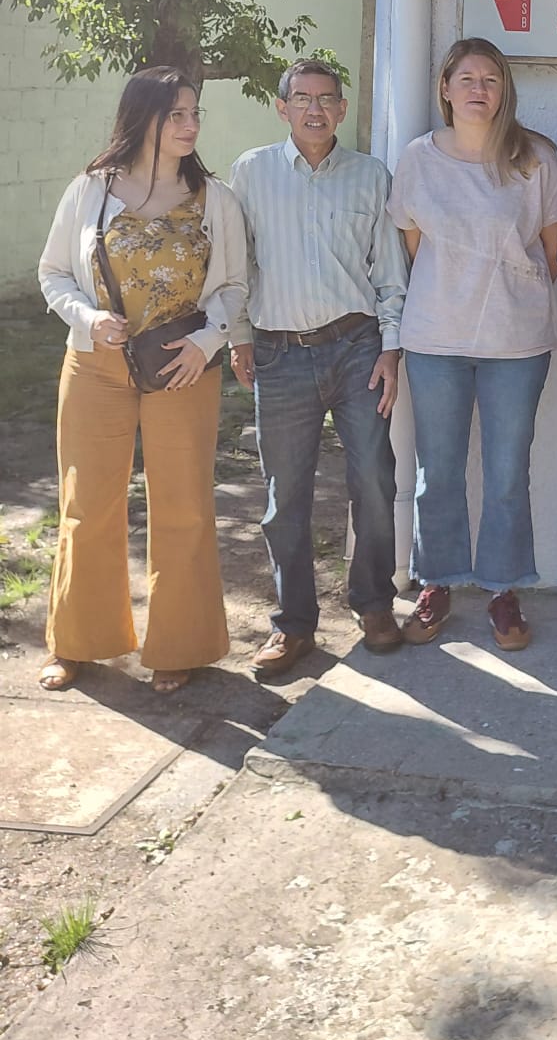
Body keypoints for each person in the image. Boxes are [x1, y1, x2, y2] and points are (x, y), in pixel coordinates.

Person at [37, 68, 249, 694]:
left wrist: (208, 342)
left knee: (183, 506)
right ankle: (76, 641)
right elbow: (53, 273)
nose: (191, 126)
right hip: (95, 367)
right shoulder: (89, 191)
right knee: (86, 505)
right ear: (144, 118)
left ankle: (177, 644)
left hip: (180, 368)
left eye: (195, 114)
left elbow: (237, 286)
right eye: (177, 114)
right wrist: (89, 317)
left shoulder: (217, 198)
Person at [229, 59, 410, 679]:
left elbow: (389, 272)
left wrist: (390, 347)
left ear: (342, 108)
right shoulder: (250, 174)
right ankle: (294, 625)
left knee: (375, 483)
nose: (314, 109)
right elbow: (236, 265)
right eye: (302, 98)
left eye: (327, 99)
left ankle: (374, 604)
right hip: (278, 351)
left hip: (357, 346)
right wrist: (237, 336)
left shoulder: (370, 177)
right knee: (286, 498)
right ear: (281, 107)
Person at [386, 38, 557, 651]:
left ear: (504, 89)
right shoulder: (418, 159)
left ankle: (502, 589)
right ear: (446, 88)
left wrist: (507, 293)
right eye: (466, 78)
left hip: (516, 343)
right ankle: (435, 581)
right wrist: (455, 291)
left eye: (491, 79)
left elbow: (553, 250)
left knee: (507, 472)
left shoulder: (534, 157)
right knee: (436, 470)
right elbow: (412, 247)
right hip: (436, 338)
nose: (479, 89)